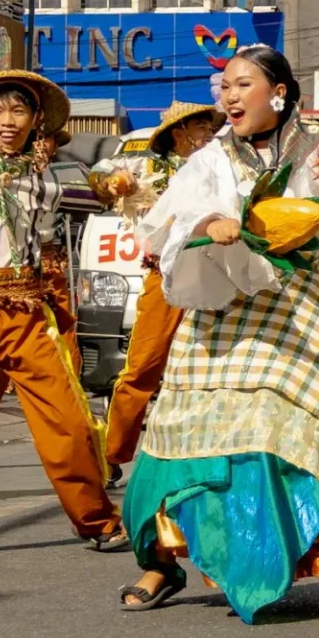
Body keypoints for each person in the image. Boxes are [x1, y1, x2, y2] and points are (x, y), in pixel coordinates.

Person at [117, 46, 319, 620]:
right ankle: (164, 559)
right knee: (189, 426)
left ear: (279, 92)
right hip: (230, 304)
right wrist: (207, 224)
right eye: (224, 86)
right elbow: (168, 226)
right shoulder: (211, 159)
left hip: (310, 302)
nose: (229, 95)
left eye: (242, 84)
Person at [0, 70, 126, 549]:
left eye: (18, 111)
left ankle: (97, 522)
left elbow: (95, 189)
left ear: (36, 121)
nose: (7, 121)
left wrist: (116, 186)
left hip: (26, 318)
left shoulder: (47, 177)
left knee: (68, 422)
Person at [89, 101, 223, 481]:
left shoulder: (220, 167)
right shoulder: (150, 167)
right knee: (143, 367)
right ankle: (112, 453)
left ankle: (206, 458)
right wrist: (116, 182)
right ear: (179, 133)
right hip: (165, 279)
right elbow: (99, 175)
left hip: (215, 279)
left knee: (213, 369)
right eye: (201, 126)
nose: (209, 133)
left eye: (210, 126)